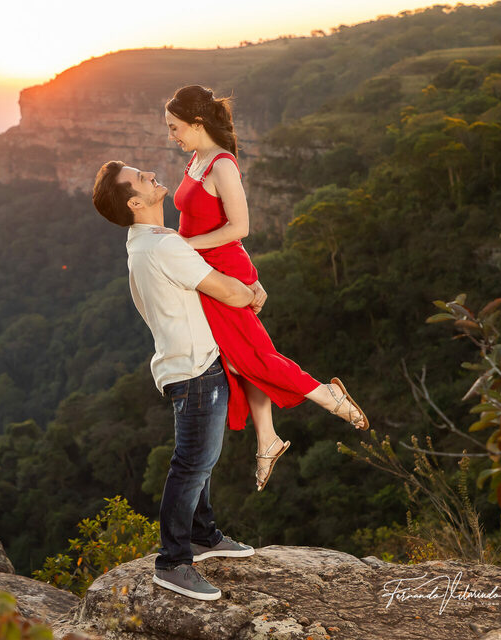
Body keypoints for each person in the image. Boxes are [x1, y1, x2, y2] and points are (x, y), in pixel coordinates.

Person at [158, 84, 368, 491]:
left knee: (252, 357)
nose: (172, 136)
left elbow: (240, 228)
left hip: (221, 272)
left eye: (175, 127)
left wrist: (180, 246)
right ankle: (268, 438)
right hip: (204, 273)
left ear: (198, 123)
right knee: (239, 360)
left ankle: (327, 395)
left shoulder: (222, 165)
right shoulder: (197, 161)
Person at [92, 159, 261, 601]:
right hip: (195, 369)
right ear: (135, 201)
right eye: (140, 178)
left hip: (185, 365)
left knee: (199, 462)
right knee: (192, 464)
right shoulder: (164, 248)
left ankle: (203, 534)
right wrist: (253, 293)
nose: (150, 174)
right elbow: (225, 290)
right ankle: (173, 562)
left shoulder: (148, 243)